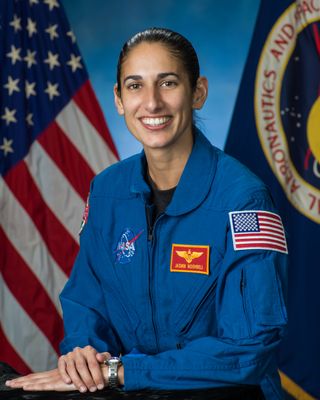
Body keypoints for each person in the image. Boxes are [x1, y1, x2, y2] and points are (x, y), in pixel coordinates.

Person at [6, 28, 288, 399]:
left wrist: (121, 371)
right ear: (119, 99)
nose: (152, 103)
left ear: (197, 91)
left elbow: (249, 349)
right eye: (135, 86)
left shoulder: (243, 199)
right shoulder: (107, 190)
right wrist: (83, 356)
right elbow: (87, 301)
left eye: (168, 83)